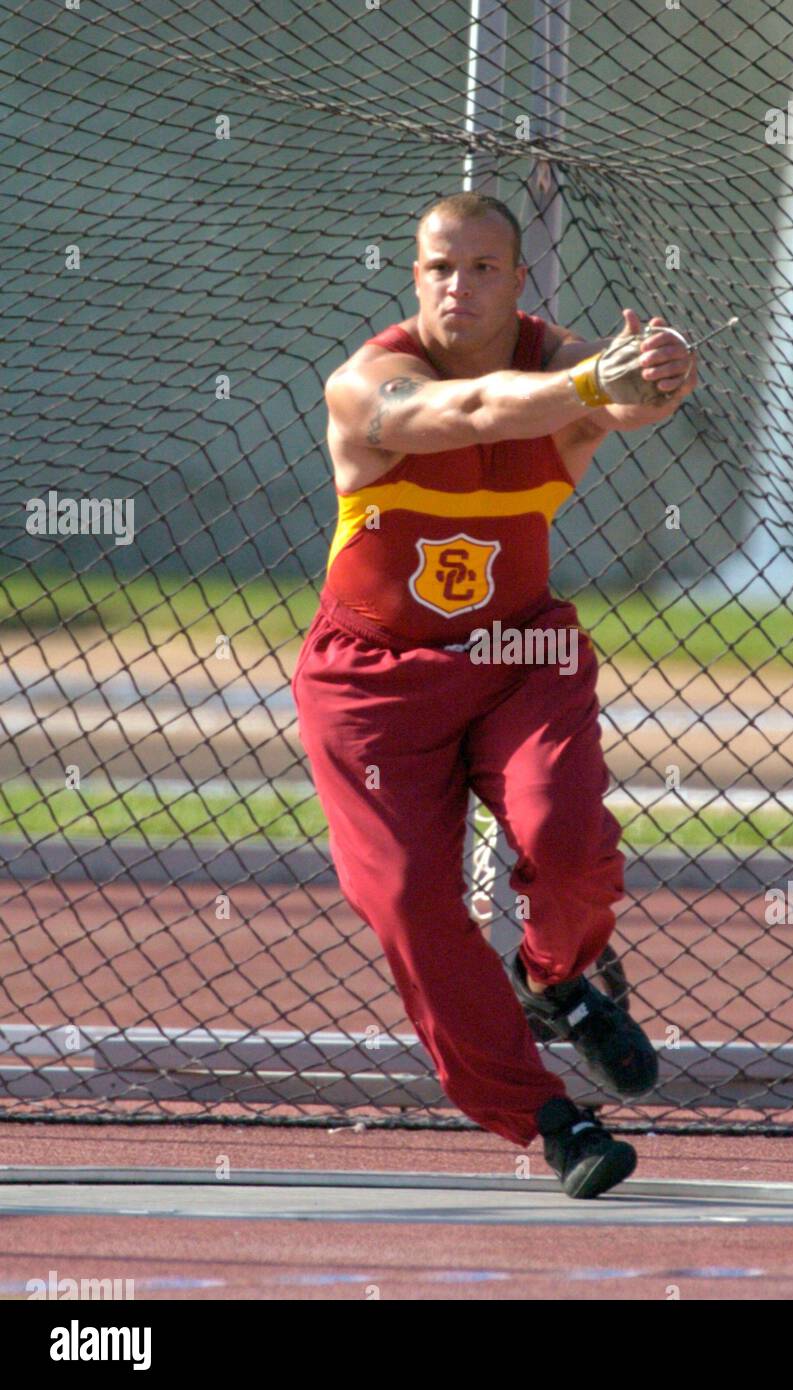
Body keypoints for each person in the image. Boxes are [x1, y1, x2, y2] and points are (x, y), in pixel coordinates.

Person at [292, 191, 697, 1198]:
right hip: (374, 680)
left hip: (520, 655)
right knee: (404, 902)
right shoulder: (369, 384)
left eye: (482, 268)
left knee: (566, 840)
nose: (456, 287)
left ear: (519, 280)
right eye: (437, 266)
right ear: (412, 275)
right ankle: (549, 1118)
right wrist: (593, 384)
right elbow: (462, 412)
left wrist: (661, 373)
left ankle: (556, 979)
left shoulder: (563, 360)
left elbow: (632, 402)